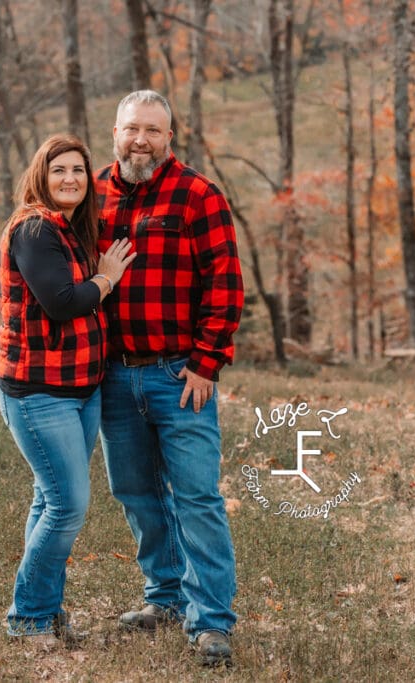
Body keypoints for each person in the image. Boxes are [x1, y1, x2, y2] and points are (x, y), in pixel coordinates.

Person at [95, 90, 244, 666]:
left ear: (170, 138)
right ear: (115, 132)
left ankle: (210, 623)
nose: (141, 140)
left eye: (153, 131)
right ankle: (164, 597)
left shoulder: (198, 194)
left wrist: (206, 364)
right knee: (134, 491)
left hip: (177, 374)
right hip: (113, 376)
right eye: (132, 128)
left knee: (197, 497)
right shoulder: (95, 195)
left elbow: (225, 286)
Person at [0, 134, 135, 646]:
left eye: (79, 170)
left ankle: (46, 613)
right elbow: (61, 302)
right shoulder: (34, 228)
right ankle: (27, 618)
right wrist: (107, 279)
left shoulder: (70, 229)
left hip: (81, 388)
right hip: (38, 392)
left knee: (48, 498)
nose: (70, 179)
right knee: (67, 505)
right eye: (59, 170)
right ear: (41, 175)